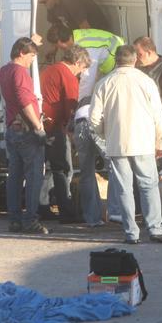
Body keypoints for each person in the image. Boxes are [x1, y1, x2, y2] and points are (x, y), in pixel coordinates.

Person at [89, 45, 162, 245]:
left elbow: (93, 118)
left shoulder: (104, 83)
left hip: (117, 144)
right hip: (144, 142)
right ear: (134, 60)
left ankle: (131, 233)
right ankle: (155, 229)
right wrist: (161, 141)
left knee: (124, 189)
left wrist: (105, 133)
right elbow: (158, 115)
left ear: (116, 60)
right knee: (148, 186)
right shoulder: (147, 81)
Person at [46, 24, 125, 226]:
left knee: (87, 171)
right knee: (115, 165)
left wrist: (71, 126)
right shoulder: (105, 79)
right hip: (94, 121)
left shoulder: (84, 55)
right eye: (82, 68)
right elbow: (84, 88)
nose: (81, 72)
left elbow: (79, 96)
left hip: (80, 122)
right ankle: (116, 212)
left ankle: (92, 218)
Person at [0, 37, 49, 234]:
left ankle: (15, 219)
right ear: (21, 52)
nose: (32, 60)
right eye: (31, 55)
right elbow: (24, 100)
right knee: (35, 176)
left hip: (12, 128)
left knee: (15, 176)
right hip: (26, 130)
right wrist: (38, 127)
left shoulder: (5, 70)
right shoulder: (20, 72)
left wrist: (33, 39)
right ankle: (31, 220)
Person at [39, 45, 91, 224]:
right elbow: (70, 106)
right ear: (77, 62)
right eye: (83, 68)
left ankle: (42, 206)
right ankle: (67, 212)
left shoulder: (48, 70)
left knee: (48, 169)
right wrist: (70, 130)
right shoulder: (68, 76)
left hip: (43, 125)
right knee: (64, 169)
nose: (82, 73)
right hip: (56, 127)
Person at [133, 36, 162, 182]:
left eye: (139, 54)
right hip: (143, 128)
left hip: (161, 129)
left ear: (150, 52)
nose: (136, 58)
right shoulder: (138, 69)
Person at [38, 0, 109, 31]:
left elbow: (86, 29)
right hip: (80, 34)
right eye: (41, 2)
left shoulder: (70, 0)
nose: (44, 5)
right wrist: (53, 48)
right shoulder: (51, 4)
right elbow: (56, 27)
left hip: (97, 33)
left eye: (44, 1)